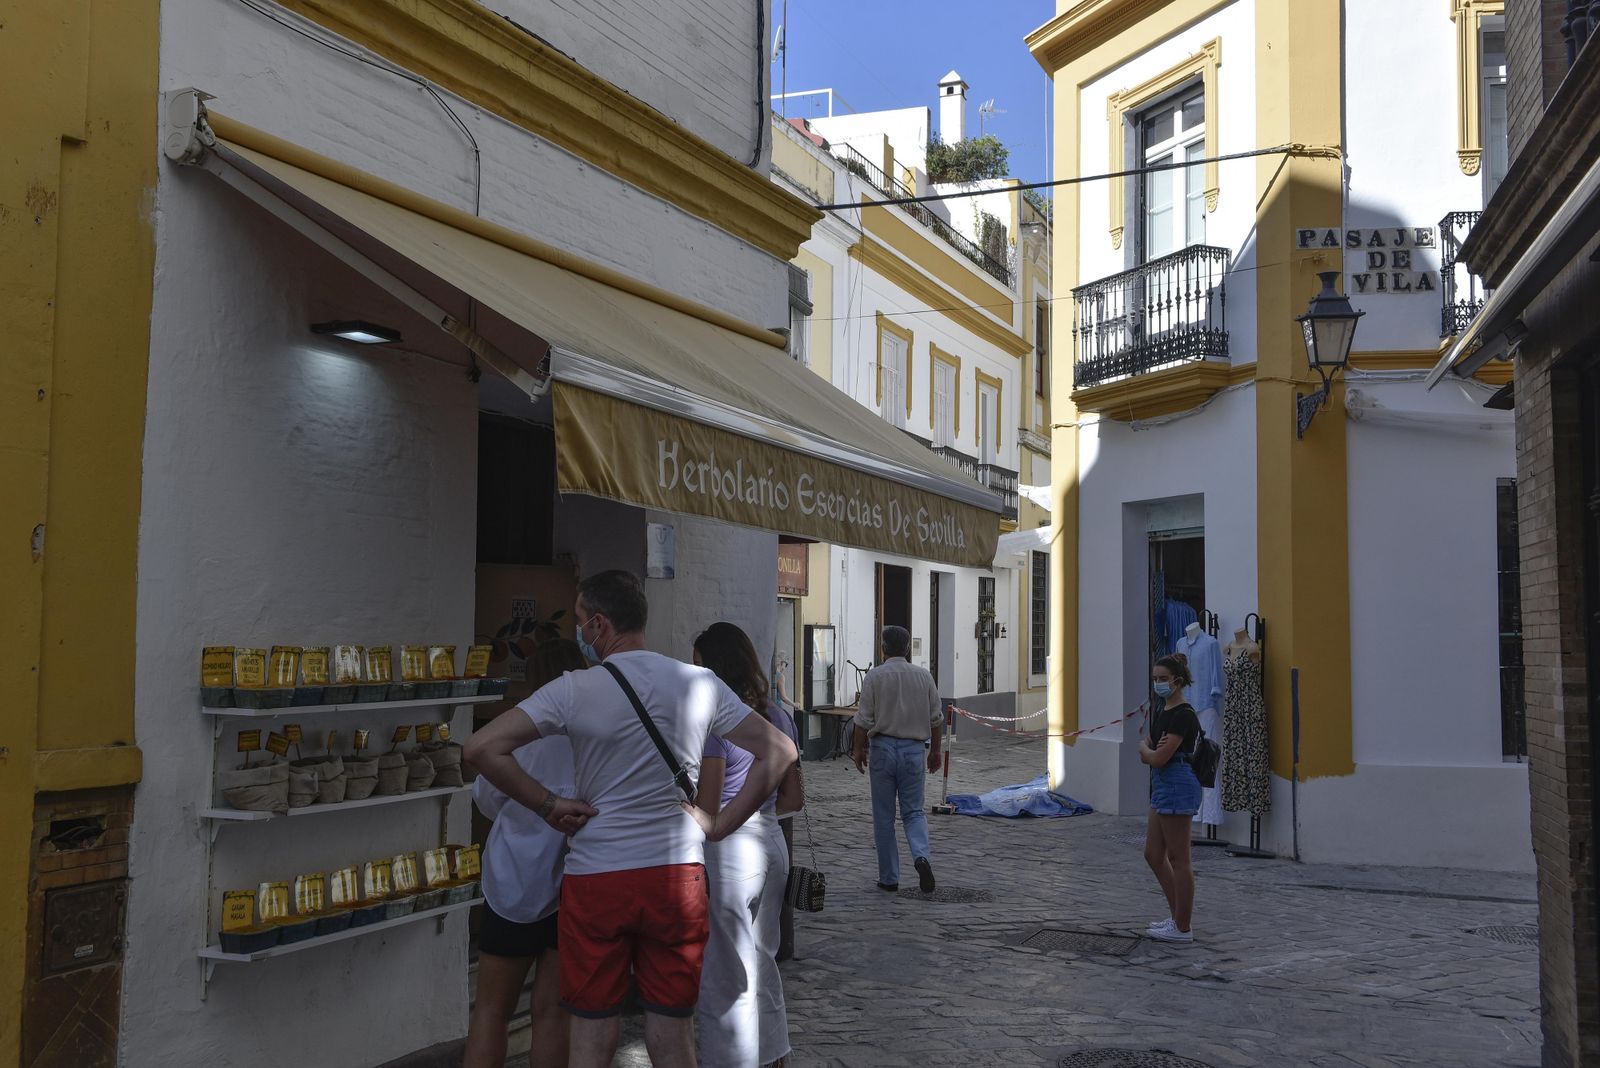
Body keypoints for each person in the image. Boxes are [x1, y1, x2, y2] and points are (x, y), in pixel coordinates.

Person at [463, 571, 797, 1068]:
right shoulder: (697, 682)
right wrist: (720, 824)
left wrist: (547, 805)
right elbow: (780, 750)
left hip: (598, 879)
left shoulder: (574, 689)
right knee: (672, 1032)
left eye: (580, 622)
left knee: (593, 1035)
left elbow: (481, 748)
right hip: (676, 879)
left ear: (600, 624)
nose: (578, 633)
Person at [464, 640, 588, 1068]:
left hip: (513, 884)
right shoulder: (590, 740)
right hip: (569, 888)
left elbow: (486, 800)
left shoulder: (515, 738)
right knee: (552, 1011)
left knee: (491, 1010)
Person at [691, 622, 803, 1068]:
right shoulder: (779, 717)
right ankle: (774, 1056)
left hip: (731, 851)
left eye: (698, 664)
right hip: (772, 840)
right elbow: (793, 798)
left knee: (723, 975)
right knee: (762, 963)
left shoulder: (718, 721)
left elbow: (710, 801)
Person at [849, 626, 942, 894]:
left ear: (883, 648)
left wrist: (858, 750)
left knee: (884, 816)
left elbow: (863, 719)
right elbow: (936, 719)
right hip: (914, 750)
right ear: (908, 649)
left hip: (883, 749)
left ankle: (889, 878)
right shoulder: (924, 677)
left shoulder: (875, 677)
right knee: (914, 811)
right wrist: (935, 751)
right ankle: (921, 856)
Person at [1139, 652, 1202, 944]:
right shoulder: (1163, 709)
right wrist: (1150, 752)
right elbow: (1153, 748)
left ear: (1177, 680)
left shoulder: (1183, 715)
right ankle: (1176, 915)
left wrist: (1147, 752)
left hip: (1176, 782)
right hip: (1162, 784)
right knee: (1153, 853)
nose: (1158, 683)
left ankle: (1183, 927)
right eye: (1154, 679)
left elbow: (1158, 755)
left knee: (1179, 858)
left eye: (1163, 679)